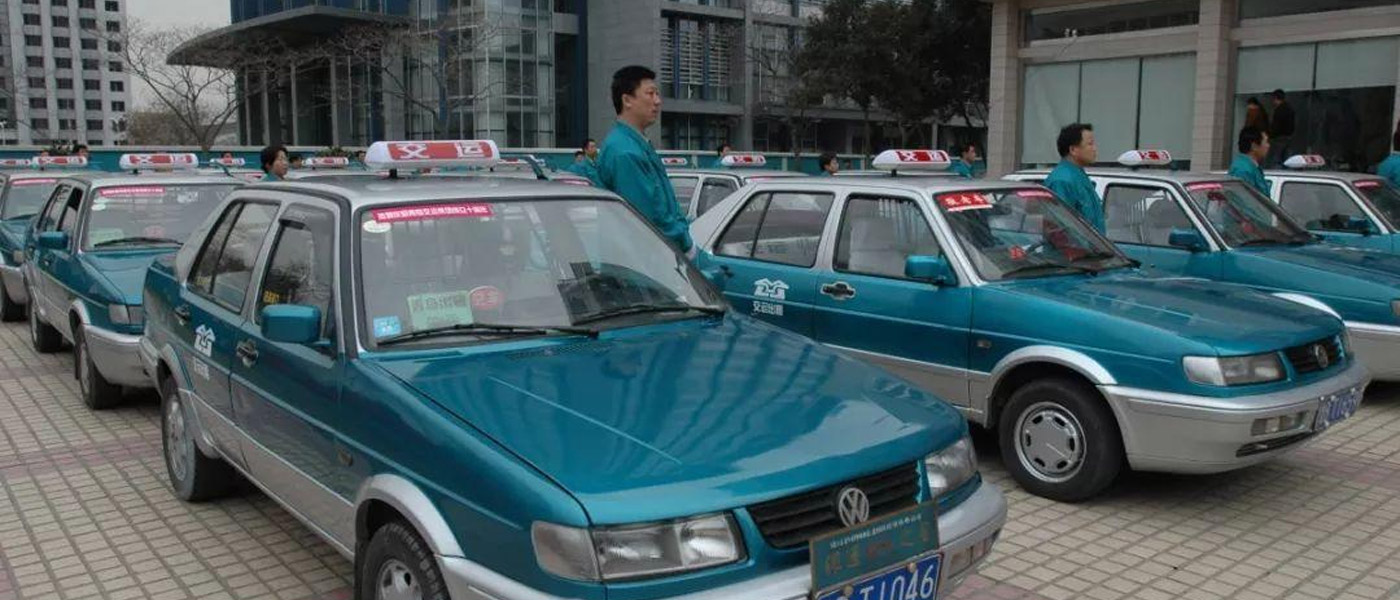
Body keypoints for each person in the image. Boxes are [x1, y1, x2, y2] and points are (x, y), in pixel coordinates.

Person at [598, 65, 692, 253]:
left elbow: (667, 208)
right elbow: (646, 221)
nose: (657, 101)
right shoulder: (624, 152)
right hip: (644, 259)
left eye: (657, 94)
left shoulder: (636, 144)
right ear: (627, 100)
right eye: (650, 94)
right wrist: (686, 245)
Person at [1043, 123, 1104, 232]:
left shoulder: (1079, 175)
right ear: (1073, 150)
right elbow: (1061, 229)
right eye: (1090, 144)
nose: (1095, 149)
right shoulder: (1061, 181)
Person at [1228, 126, 1271, 196]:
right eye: (1266, 142)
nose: (1268, 146)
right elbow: (1244, 198)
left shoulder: (1251, 166)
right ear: (1254, 146)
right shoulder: (1243, 170)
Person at [1268, 89, 1295, 167]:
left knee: (1276, 158)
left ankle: (1277, 172)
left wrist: (1270, 135)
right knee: (1287, 159)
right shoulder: (1290, 108)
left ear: (1275, 98)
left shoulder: (1279, 110)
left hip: (1278, 138)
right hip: (1288, 137)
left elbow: (1276, 126)